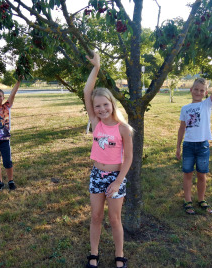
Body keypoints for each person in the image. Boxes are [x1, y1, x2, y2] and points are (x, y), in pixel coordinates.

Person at [84, 52, 133, 268]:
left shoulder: (123, 129)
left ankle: (119, 255)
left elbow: (129, 158)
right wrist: (96, 68)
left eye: (105, 105)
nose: (102, 109)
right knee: (96, 217)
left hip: (116, 177)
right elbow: (87, 91)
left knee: (114, 219)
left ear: (112, 104)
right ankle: (93, 254)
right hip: (97, 175)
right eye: (97, 106)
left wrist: (118, 180)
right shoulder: (96, 123)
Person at [176, 67, 212, 215]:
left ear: (205, 93)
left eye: (202, 90)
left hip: (203, 146)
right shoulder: (185, 108)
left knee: (201, 175)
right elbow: (182, 129)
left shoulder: (207, 104)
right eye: (196, 89)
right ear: (191, 90)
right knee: (187, 174)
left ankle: (201, 200)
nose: (198, 92)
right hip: (188, 146)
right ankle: (187, 200)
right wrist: (178, 147)